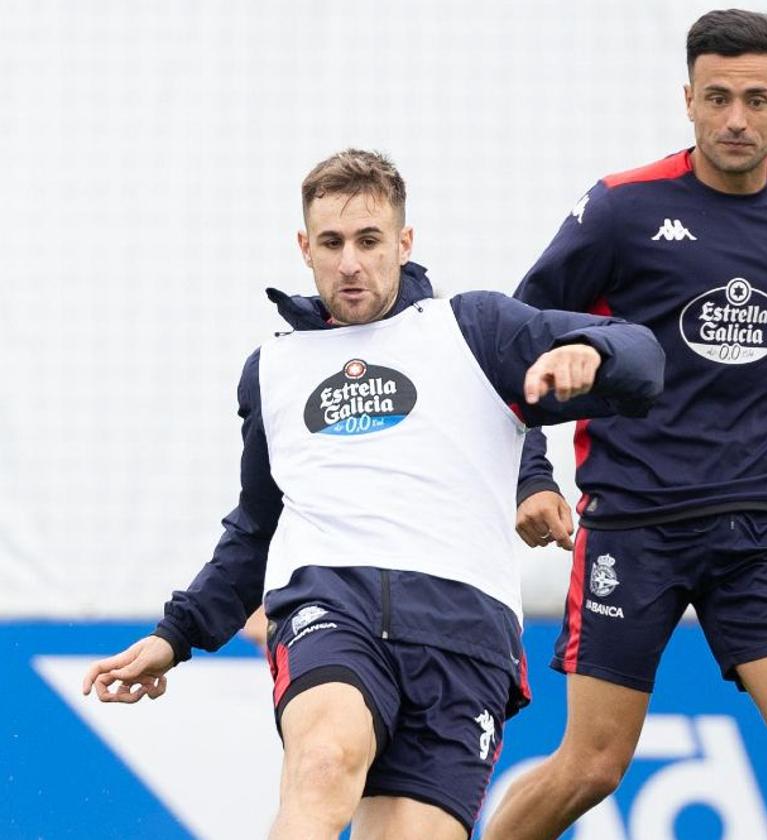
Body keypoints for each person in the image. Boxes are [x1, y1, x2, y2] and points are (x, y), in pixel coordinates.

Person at [81, 149, 665, 840]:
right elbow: (255, 529)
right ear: (304, 248)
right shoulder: (272, 369)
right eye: (331, 243)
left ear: (404, 242)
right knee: (326, 758)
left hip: (464, 632)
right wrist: (174, 636)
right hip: (332, 604)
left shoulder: (476, 329)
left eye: (368, 241)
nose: (350, 263)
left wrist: (596, 355)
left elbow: (644, 355)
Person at [484, 10, 767, 840]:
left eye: (756, 100)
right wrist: (532, 475)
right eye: (717, 98)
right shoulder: (621, 209)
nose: (735, 119)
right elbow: (515, 341)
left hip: (760, 526)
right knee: (592, 767)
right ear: (686, 99)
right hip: (633, 524)